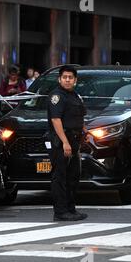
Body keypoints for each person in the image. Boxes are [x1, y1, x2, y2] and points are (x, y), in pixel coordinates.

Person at [47, 65, 88, 221]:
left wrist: (84, 131)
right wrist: (65, 142)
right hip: (61, 141)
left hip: (74, 140)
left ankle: (71, 209)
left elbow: (78, 116)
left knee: (73, 176)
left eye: (70, 77)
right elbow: (56, 120)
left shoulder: (75, 95)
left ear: (75, 80)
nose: (67, 80)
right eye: (65, 77)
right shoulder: (56, 96)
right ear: (59, 79)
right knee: (60, 177)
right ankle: (60, 212)